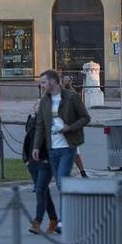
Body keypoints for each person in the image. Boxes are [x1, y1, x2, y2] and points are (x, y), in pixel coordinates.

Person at [32, 69, 90, 234]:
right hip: (53, 148)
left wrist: (69, 128)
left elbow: (86, 117)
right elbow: (41, 126)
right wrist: (36, 146)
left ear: (52, 82)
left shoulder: (71, 97)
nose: (41, 85)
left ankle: (64, 221)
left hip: (68, 146)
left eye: (43, 82)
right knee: (59, 183)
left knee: (62, 181)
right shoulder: (45, 101)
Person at [22, 107, 58, 235]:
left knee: (40, 190)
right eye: (36, 105)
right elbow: (27, 140)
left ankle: (37, 222)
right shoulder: (32, 121)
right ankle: (54, 220)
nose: (36, 107)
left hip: (45, 163)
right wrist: (26, 160)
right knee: (44, 192)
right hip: (32, 163)